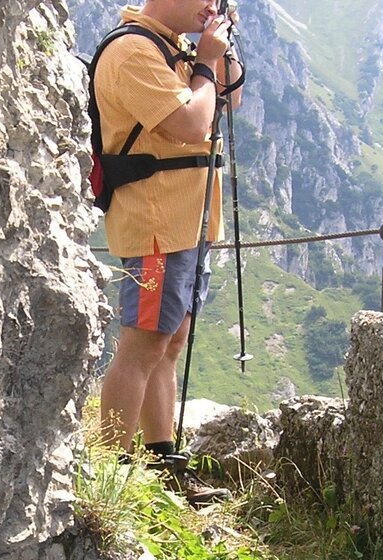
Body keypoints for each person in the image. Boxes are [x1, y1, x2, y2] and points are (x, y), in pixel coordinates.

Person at [94, 0, 244, 504]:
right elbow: (191, 125)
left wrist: (220, 52)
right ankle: (109, 479)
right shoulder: (132, 51)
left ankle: (161, 462)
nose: (212, 5)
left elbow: (231, 100)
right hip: (156, 222)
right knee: (141, 346)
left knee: (167, 343)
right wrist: (205, 61)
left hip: (187, 221)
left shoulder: (171, 47)